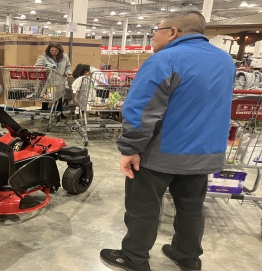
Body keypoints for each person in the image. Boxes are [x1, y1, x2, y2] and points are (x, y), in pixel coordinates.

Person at [100, 10, 235, 271]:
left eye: (156, 31)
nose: (154, 37)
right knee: (191, 208)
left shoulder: (165, 59)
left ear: (172, 32)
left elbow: (142, 110)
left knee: (144, 208)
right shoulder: (225, 60)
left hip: (161, 153)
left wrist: (130, 148)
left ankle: (134, 258)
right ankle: (187, 256)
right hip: (206, 152)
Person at [34, 43, 72, 119]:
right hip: (47, 81)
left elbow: (68, 66)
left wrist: (67, 72)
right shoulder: (44, 57)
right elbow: (36, 67)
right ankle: (44, 113)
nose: (54, 52)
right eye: (52, 50)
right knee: (46, 97)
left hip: (59, 80)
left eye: (56, 50)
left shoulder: (64, 57)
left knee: (59, 97)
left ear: (59, 50)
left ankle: (59, 113)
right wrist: (44, 70)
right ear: (49, 50)